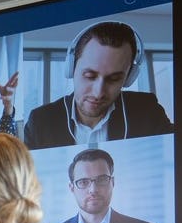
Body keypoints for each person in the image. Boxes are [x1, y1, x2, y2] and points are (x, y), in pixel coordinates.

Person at [24, 21, 173, 150]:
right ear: (71, 68)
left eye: (114, 79)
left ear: (129, 78)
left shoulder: (147, 110)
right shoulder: (40, 121)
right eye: (89, 76)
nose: (98, 93)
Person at [45, 148, 161, 223]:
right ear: (72, 188)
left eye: (102, 179)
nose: (93, 190)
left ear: (113, 183)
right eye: (83, 182)